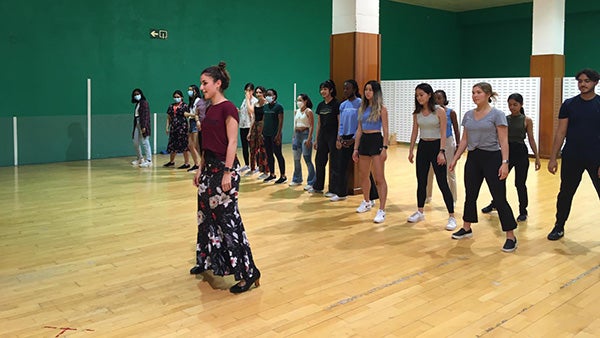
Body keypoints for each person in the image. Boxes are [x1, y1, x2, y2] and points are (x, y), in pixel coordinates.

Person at [191, 61, 261, 294]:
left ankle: (249, 273)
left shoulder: (229, 108)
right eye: (201, 83)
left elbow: (233, 142)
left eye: (205, 83)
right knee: (206, 218)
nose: (202, 87)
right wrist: (201, 168)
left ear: (218, 83)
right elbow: (207, 144)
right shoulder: (209, 109)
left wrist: (228, 172)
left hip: (224, 169)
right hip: (208, 169)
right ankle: (209, 262)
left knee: (229, 222)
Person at [449, 82, 518, 252]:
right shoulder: (468, 115)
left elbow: (503, 141)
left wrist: (505, 163)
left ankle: (511, 236)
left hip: (492, 158)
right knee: (470, 194)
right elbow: (465, 139)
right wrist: (455, 158)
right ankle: (467, 227)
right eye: (473, 92)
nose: (475, 95)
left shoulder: (497, 115)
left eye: (478, 92)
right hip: (473, 158)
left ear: (488, 94)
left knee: (499, 197)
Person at [547, 68, 600, 241]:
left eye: (586, 81)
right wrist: (553, 158)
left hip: (596, 157)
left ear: (595, 83)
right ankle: (559, 226)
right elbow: (561, 132)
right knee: (565, 193)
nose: (583, 84)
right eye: (580, 81)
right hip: (572, 156)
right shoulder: (569, 104)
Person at [481, 93, 541, 221]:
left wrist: (537, 157)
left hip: (520, 152)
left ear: (521, 105)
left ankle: (523, 210)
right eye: (510, 105)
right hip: (506, 151)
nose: (512, 107)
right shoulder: (504, 119)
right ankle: (495, 203)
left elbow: (531, 139)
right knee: (499, 180)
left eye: (515, 105)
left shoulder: (527, 120)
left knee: (520, 183)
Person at [407, 83, 456, 230]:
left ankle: (452, 216)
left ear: (429, 95)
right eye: (417, 95)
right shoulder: (417, 113)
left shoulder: (439, 111)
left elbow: (443, 133)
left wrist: (441, 151)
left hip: (436, 147)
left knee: (442, 182)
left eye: (421, 94)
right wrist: (410, 151)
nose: (419, 97)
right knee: (421, 181)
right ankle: (420, 211)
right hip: (423, 146)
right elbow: (415, 132)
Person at [352, 80, 389, 223]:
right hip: (364, 141)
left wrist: (385, 148)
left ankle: (382, 210)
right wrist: (355, 148)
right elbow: (359, 130)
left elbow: (385, 130)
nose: (367, 92)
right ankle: (367, 201)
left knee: (379, 178)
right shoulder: (362, 109)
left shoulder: (382, 109)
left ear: (376, 92)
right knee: (363, 175)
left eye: (370, 90)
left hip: (376, 140)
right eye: (366, 89)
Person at [425, 90, 459, 204]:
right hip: (435, 141)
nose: (437, 100)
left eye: (439, 98)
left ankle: (453, 198)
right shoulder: (431, 112)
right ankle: (427, 196)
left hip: (448, 142)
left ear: (444, 99)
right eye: (435, 98)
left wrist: (458, 144)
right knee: (430, 170)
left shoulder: (451, 112)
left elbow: (456, 129)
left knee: (450, 170)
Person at [311, 80, 340, 195]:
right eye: (321, 89)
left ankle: (333, 189)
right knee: (319, 161)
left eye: (325, 89)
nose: (322, 91)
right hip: (323, 135)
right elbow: (318, 123)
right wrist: (316, 139)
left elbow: (339, 122)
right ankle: (318, 186)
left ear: (331, 90)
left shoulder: (337, 104)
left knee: (334, 162)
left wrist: (338, 137)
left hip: (333, 135)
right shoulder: (320, 105)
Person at [290, 93, 316, 189]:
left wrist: (309, 138)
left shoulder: (308, 111)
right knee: (296, 159)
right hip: (297, 135)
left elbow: (312, 125)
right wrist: (293, 137)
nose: (298, 102)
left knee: (307, 158)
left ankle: (311, 181)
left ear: (305, 101)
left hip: (305, 134)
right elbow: (295, 124)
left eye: (300, 100)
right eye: (297, 100)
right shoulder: (296, 111)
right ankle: (297, 179)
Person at [262, 88, 287, 184]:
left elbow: (281, 121)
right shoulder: (265, 107)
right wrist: (261, 133)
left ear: (274, 96)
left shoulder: (278, 107)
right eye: (266, 95)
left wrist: (278, 135)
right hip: (266, 134)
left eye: (269, 94)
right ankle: (272, 174)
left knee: (278, 154)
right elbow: (264, 121)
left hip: (275, 135)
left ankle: (283, 176)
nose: (267, 96)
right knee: (269, 154)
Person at [164, 90, 190, 169]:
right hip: (173, 128)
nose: (176, 98)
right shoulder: (171, 106)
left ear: (181, 97)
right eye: (175, 97)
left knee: (184, 145)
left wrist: (188, 128)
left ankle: (187, 163)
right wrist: (167, 127)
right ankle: (171, 161)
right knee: (173, 145)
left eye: (178, 97)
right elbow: (168, 118)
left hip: (182, 128)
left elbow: (187, 117)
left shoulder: (185, 106)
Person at [248, 86, 269, 179]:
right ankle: (252, 168)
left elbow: (266, 118)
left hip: (263, 127)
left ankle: (265, 171)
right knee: (252, 148)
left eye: (260, 92)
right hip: (255, 127)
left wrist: (263, 131)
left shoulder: (267, 104)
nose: (258, 94)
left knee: (263, 150)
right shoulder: (255, 104)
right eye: (257, 92)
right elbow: (253, 118)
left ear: (264, 93)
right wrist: (249, 132)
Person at [239, 83, 258, 172]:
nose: (248, 92)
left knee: (253, 147)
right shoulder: (244, 100)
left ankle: (256, 165)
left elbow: (251, 111)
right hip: (242, 126)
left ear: (253, 91)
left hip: (250, 126)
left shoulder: (254, 101)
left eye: (249, 90)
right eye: (246, 90)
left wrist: (247, 99)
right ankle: (247, 164)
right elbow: (244, 111)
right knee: (244, 147)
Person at [131, 88, 152, 168]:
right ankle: (140, 158)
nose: (136, 95)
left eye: (138, 94)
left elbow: (146, 115)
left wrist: (144, 126)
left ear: (141, 94)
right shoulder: (138, 104)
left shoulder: (144, 103)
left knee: (145, 141)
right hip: (137, 122)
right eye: (135, 94)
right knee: (135, 141)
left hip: (143, 123)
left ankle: (149, 160)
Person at [184, 84, 202, 172]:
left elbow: (197, 114)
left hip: (195, 122)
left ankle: (201, 163)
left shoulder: (198, 100)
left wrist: (189, 114)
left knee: (196, 145)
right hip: (191, 122)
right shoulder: (191, 101)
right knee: (190, 145)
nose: (189, 92)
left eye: (191, 90)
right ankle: (196, 163)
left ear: (195, 91)